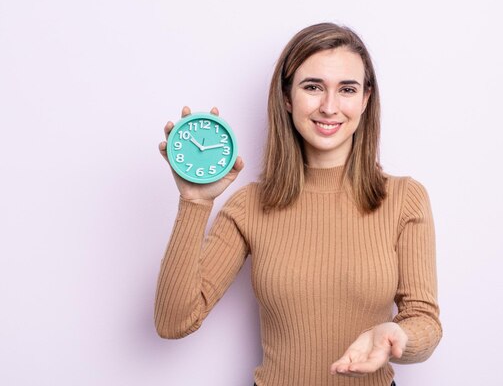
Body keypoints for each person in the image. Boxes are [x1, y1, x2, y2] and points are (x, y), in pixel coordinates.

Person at [155, 22, 442, 386]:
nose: (329, 106)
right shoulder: (249, 206)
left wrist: (399, 337)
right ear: (287, 97)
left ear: (365, 100)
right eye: (313, 87)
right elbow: (173, 321)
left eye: (347, 89)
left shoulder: (405, 199)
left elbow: (424, 319)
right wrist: (193, 202)